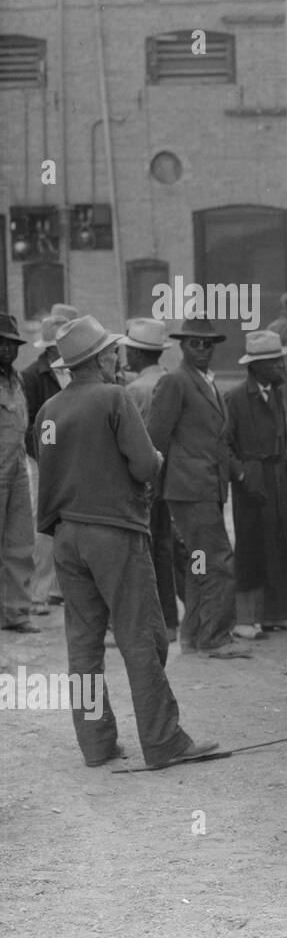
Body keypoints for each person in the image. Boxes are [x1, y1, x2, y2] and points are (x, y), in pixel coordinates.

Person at [35, 316, 217, 769]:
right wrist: (153, 457)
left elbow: (51, 465)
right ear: (99, 358)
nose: (118, 357)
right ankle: (163, 740)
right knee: (143, 638)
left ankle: (96, 744)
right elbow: (144, 466)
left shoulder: (49, 410)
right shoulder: (113, 397)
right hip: (113, 532)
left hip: (66, 536)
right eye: (112, 351)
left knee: (84, 645)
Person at [148, 316, 247, 659]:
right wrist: (154, 485)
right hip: (189, 489)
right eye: (195, 344)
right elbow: (156, 438)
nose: (203, 349)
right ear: (183, 346)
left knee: (200, 560)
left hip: (207, 486)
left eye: (208, 344)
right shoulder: (176, 382)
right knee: (218, 559)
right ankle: (216, 636)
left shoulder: (205, 381)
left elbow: (215, 438)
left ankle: (194, 633)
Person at [225, 330, 287, 638]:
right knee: (251, 546)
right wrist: (241, 475)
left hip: (280, 478)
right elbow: (222, 444)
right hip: (252, 481)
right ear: (256, 366)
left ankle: (275, 615)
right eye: (274, 361)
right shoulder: (235, 398)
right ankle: (244, 620)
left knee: (279, 543)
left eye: (280, 359)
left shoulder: (280, 393)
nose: (281, 365)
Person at [120, 319, 180, 640]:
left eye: (130, 350)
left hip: (144, 481)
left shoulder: (132, 391)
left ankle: (149, 625)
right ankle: (170, 621)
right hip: (171, 479)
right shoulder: (169, 381)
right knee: (165, 550)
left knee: (142, 553)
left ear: (139, 354)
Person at [21, 313, 71, 615]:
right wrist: (45, 457)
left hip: (73, 461)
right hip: (44, 462)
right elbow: (27, 428)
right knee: (43, 524)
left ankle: (58, 590)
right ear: (51, 348)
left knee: (71, 522)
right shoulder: (32, 376)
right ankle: (37, 593)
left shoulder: (74, 371)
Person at [0, 313, 37, 632]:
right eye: (3, 343)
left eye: (13, 344)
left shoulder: (17, 380)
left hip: (17, 468)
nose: (9, 350)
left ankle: (16, 611)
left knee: (20, 539)